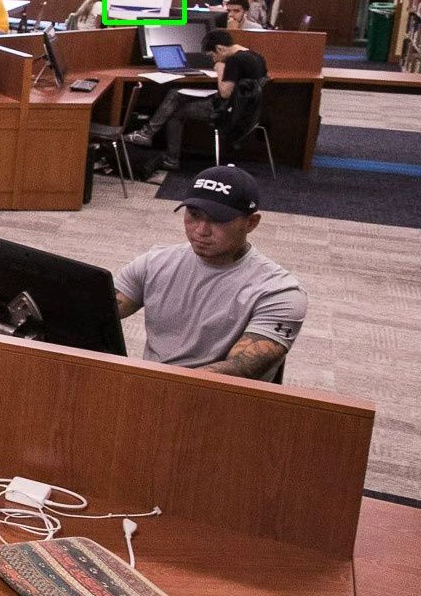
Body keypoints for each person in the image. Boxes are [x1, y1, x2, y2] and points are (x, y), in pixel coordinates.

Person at [116, 165, 305, 378]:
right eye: (194, 215)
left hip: (221, 402)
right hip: (151, 390)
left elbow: (241, 368)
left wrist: (157, 384)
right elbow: (97, 312)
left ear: (251, 223)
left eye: (218, 219)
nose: (201, 230)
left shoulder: (280, 292)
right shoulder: (154, 263)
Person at [127, 29, 268, 167]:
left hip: (228, 113)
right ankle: (146, 134)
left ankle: (169, 156)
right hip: (249, 114)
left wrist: (220, 69)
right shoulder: (257, 57)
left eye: (212, 56)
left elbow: (225, 93)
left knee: (175, 110)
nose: (213, 60)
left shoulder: (234, 61)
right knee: (177, 94)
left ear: (220, 49)